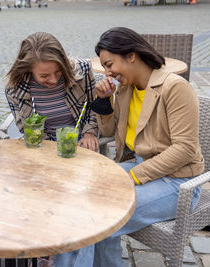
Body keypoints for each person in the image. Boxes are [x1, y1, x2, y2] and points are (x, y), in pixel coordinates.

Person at [54, 27, 204, 267]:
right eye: (104, 67)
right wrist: (104, 101)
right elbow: (107, 132)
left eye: (110, 64)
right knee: (76, 197)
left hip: (177, 182)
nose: (107, 72)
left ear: (132, 55)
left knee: (92, 217)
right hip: (136, 167)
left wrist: (134, 176)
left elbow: (185, 149)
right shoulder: (126, 88)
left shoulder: (175, 88)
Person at [5, 32, 99, 151]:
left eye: (59, 71)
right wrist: (51, 147)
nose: (54, 80)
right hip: (43, 144)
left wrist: (89, 133)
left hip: (79, 140)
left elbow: (94, 106)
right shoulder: (15, 88)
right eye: (44, 76)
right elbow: (25, 127)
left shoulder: (83, 70)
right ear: (28, 69)